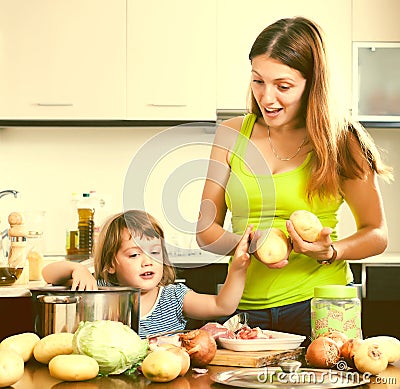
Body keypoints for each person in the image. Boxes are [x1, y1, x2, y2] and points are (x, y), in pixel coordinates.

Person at [196, 16, 393, 340]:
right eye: (258, 81)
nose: (267, 97)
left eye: (283, 86)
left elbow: (377, 233)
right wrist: (247, 247)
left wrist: (330, 252)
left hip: (322, 305)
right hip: (246, 306)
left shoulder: (343, 142)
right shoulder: (230, 134)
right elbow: (206, 229)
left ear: (313, 84)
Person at [42, 210, 252, 338]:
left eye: (154, 252)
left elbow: (222, 305)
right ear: (111, 265)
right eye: (134, 255)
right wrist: (77, 269)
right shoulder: (100, 289)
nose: (147, 261)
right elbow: (48, 273)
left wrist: (238, 268)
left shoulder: (174, 297)